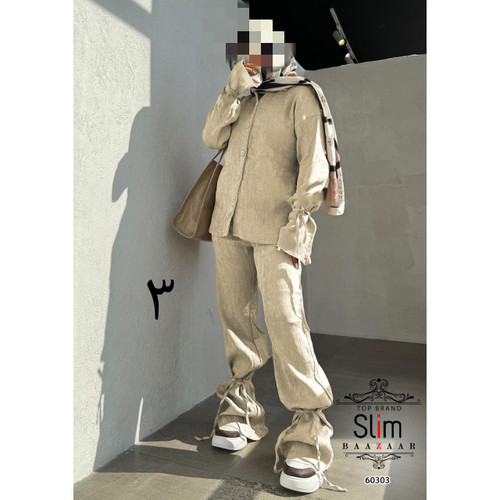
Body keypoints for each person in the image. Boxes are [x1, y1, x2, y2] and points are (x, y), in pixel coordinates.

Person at [195, 45, 346, 494]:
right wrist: (231, 91)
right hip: (227, 223)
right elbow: (210, 137)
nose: (254, 59)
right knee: (235, 316)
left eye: (263, 51)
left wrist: (297, 223)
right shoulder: (243, 97)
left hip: (276, 229)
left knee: (285, 320)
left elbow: (314, 167)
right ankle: (240, 407)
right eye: (247, 53)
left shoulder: (303, 95)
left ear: (282, 53)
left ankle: (308, 433)